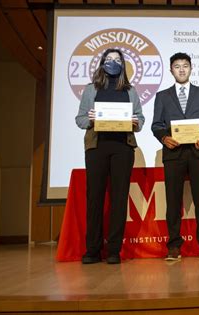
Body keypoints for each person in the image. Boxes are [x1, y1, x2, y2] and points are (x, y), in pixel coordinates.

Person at [75, 48, 144, 264]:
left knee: (119, 199)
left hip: (123, 148)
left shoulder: (130, 90)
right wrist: (92, 119)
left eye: (117, 60)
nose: (113, 62)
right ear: (102, 62)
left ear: (123, 65)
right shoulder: (91, 89)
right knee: (94, 199)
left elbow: (140, 120)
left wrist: (135, 122)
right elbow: (80, 119)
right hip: (97, 147)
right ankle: (93, 250)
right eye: (109, 59)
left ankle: (114, 250)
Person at [151, 52, 199, 261]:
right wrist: (164, 138)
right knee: (173, 202)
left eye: (185, 66)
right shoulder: (162, 96)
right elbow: (156, 125)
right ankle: (174, 246)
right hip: (173, 154)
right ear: (171, 70)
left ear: (191, 68)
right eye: (177, 66)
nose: (181, 69)